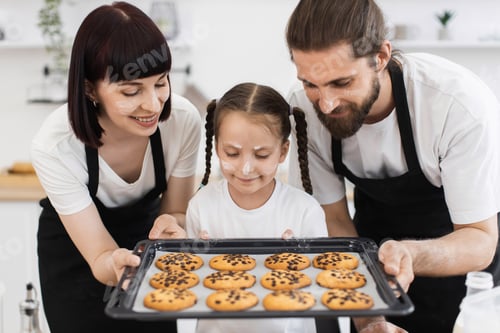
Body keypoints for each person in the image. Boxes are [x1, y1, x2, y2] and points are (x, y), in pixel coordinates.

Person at [285, 0, 500, 332]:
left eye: (342, 83)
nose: (325, 104)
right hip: (369, 260)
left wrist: (409, 254)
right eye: (310, 84)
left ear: (381, 57)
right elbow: (335, 223)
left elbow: (480, 239)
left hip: (460, 274)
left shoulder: (455, 104)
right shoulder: (303, 112)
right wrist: (369, 318)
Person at [30, 2, 201, 333]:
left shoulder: (182, 122)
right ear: (90, 88)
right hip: (76, 255)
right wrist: (114, 262)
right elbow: (100, 256)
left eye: (161, 82)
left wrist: (173, 227)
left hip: (148, 241)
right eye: (131, 91)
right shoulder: (56, 146)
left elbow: (177, 210)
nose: (152, 105)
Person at [175, 82, 328, 333]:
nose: (246, 168)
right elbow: (191, 286)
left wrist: (298, 265)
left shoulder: (305, 211)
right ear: (216, 148)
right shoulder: (201, 206)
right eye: (232, 153)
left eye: (261, 155)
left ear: (282, 151)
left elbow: (323, 285)